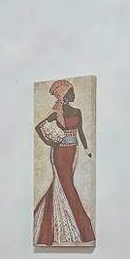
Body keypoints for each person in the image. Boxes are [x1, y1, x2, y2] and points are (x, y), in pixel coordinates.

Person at [33, 79, 94, 247]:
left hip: (73, 152)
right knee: (66, 185)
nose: (74, 95)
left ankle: (49, 228)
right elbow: (39, 127)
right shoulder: (57, 114)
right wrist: (52, 142)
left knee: (63, 185)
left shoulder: (78, 111)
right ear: (65, 96)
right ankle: (83, 229)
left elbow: (80, 132)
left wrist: (88, 150)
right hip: (59, 153)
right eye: (71, 93)